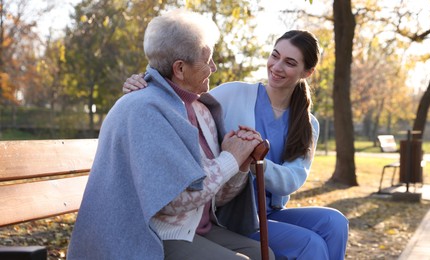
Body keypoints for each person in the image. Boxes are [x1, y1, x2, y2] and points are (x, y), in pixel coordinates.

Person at [68, 9, 275, 260]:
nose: (214, 66)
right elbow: (174, 202)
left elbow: (215, 197)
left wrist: (240, 165)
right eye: (207, 59)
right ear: (179, 68)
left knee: (265, 255)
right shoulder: (143, 109)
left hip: (195, 229)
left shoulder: (203, 111)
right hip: (152, 234)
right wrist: (229, 159)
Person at [124, 30, 349, 259]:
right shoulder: (234, 93)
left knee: (335, 222)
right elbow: (183, 95)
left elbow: (291, 180)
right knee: (310, 244)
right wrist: (146, 81)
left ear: (307, 72)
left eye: (290, 63)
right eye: (275, 55)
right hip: (235, 212)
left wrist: (254, 160)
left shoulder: (308, 123)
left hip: (270, 212)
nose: (277, 66)